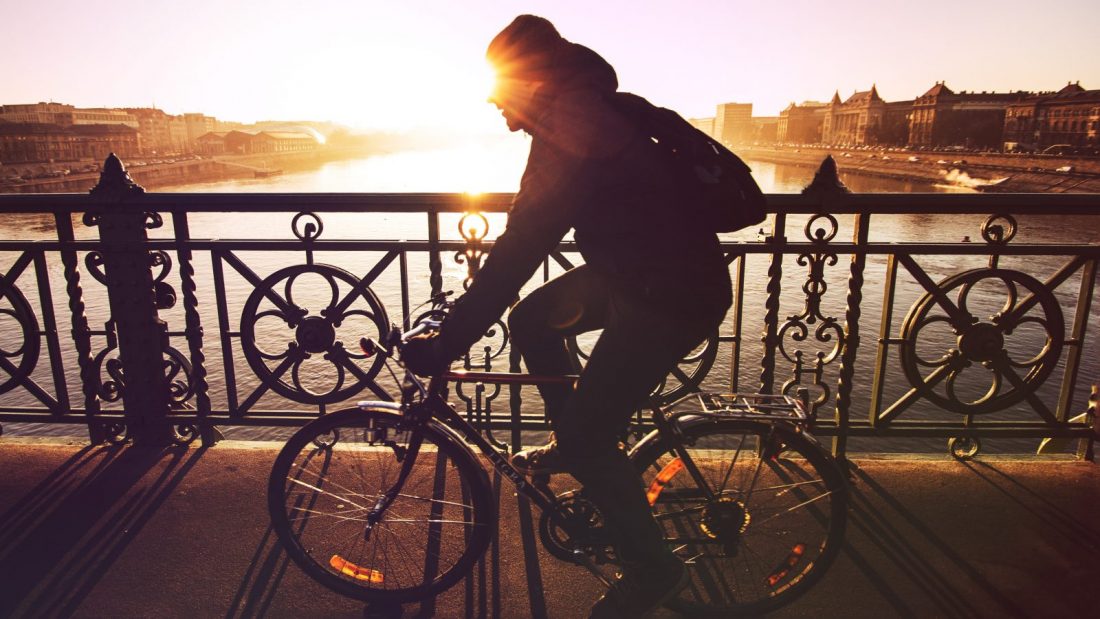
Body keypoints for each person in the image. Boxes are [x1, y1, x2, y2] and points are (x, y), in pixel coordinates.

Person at [402, 15, 732, 618]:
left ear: (530, 83)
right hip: (641, 273)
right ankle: (577, 441)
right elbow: (524, 245)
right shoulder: (586, 109)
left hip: (671, 293)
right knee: (532, 321)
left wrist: (446, 344)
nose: (500, 115)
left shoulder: (574, 127)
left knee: (588, 436)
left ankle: (652, 569)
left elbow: (521, 247)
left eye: (500, 97)